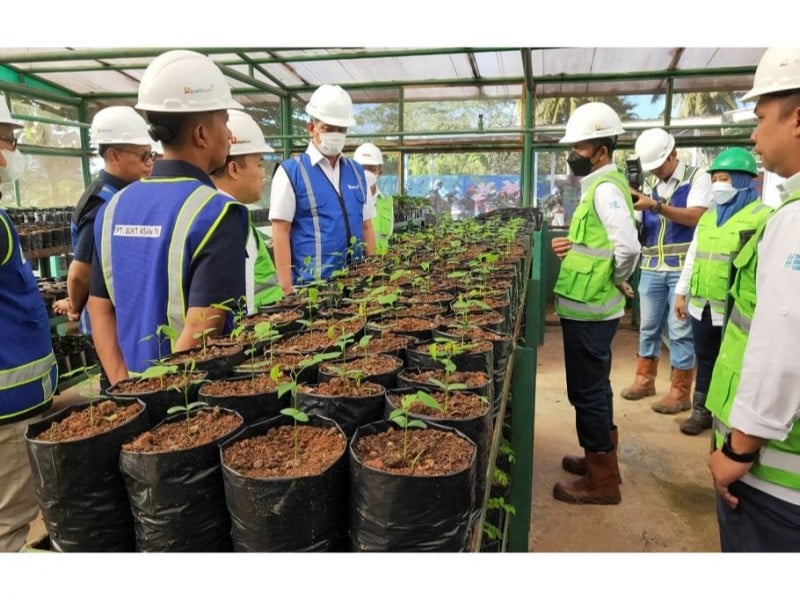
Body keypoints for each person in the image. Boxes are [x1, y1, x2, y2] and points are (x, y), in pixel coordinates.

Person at [87, 49, 248, 381]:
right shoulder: (218, 213)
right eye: (225, 121)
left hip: (126, 391)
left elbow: (99, 309)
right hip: (188, 403)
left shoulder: (112, 207)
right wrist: (161, 399)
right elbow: (202, 329)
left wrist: (126, 390)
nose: (230, 136)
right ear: (201, 133)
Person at [707, 47, 800, 552]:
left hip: (779, 483)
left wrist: (738, 449)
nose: (754, 134)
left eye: (761, 117)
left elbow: (785, 345)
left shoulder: (794, 220)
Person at [550, 102, 640, 505]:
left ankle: (602, 482)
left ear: (601, 151)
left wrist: (617, 280)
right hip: (589, 308)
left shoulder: (605, 189)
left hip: (591, 310)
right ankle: (599, 458)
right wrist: (572, 248)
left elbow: (628, 247)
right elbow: (601, 245)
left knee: (587, 392)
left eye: (581, 148)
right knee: (594, 390)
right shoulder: (600, 187)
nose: (574, 156)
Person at [674, 148, 772, 436]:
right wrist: (681, 293)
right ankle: (701, 411)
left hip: (736, 308)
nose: (718, 185)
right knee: (705, 357)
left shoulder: (762, 217)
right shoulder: (708, 217)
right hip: (702, 304)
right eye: (714, 179)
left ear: (743, 180)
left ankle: (732, 416)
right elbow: (693, 256)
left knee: (734, 361)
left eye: (725, 178)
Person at [0, 95, 58, 552]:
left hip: (19, 403)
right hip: (7, 411)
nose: (12, 152)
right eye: (8, 140)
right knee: (9, 527)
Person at [621, 127, 713, 414]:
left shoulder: (697, 178)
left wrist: (656, 206)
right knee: (647, 327)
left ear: (673, 154)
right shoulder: (646, 183)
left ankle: (680, 391)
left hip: (681, 269)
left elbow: (697, 217)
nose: (655, 172)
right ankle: (644, 379)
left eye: (659, 166)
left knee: (679, 330)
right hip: (650, 266)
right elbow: (637, 224)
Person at [52, 106, 155, 338]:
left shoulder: (124, 196)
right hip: (109, 328)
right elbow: (80, 273)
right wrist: (75, 305)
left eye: (152, 155)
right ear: (114, 155)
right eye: (143, 156)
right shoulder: (101, 202)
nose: (150, 163)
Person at [269, 84, 375, 293]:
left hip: (358, 287)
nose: (336, 134)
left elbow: (366, 226)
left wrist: (374, 274)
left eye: (341, 129)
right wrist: (287, 289)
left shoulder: (356, 172)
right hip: (312, 290)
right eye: (328, 128)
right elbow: (280, 232)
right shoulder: (291, 172)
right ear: (311, 128)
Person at [210, 109, 283, 314]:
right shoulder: (225, 221)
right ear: (234, 169)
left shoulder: (231, 214)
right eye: (259, 164)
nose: (263, 175)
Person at [354, 142, 394, 254]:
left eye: (371, 168)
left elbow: (389, 234)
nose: (366, 172)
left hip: (381, 264)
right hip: (356, 265)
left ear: (379, 172)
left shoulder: (387, 200)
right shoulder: (347, 198)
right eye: (362, 168)